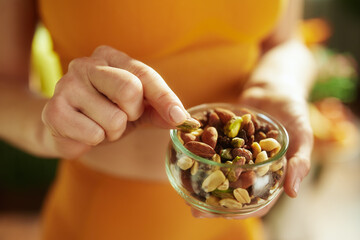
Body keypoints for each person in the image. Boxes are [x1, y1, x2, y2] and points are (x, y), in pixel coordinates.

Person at [0, 0, 315, 239]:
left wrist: (278, 83)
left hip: (235, 214)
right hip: (105, 217)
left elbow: (287, 42)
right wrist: (51, 127)